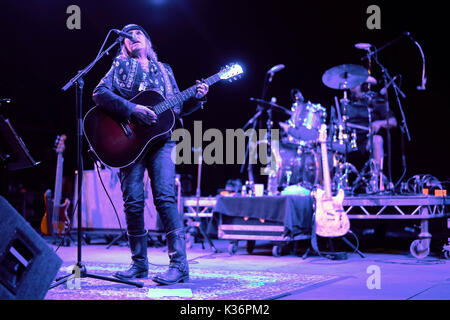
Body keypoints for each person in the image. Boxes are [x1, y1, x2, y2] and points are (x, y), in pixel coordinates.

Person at [92, 24, 209, 285]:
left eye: (139, 34)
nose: (133, 37)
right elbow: (99, 92)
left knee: (165, 198)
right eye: (128, 36)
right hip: (130, 143)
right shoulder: (119, 67)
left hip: (161, 141)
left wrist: (197, 98)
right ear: (123, 45)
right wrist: (132, 108)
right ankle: (139, 264)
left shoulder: (165, 71)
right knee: (133, 201)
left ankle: (179, 265)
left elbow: (177, 108)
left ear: (148, 42)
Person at [344, 76, 397, 191]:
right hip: (347, 140)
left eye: (355, 84)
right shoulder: (345, 103)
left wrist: (379, 123)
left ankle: (377, 181)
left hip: (366, 140)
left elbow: (393, 122)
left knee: (377, 140)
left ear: (363, 85)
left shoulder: (376, 101)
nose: (351, 87)